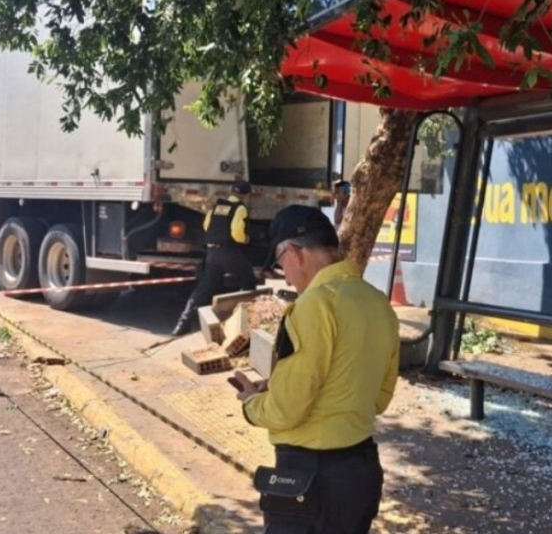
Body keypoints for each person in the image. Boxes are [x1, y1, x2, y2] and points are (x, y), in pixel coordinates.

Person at [232, 205, 399, 534]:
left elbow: (286, 410)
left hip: (309, 482)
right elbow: (378, 398)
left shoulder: (312, 306)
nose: (287, 276)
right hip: (360, 474)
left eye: (281, 265)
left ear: (292, 253)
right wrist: (281, 384)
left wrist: (252, 405)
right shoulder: (376, 302)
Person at [171, 180, 257, 336]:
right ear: (245, 195)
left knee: (202, 290)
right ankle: (246, 324)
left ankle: (182, 324)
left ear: (231, 191)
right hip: (229, 253)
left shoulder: (216, 206)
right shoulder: (240, 208)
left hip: (212, 254)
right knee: (248, 279)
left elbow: (206, 226)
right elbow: (236, 234)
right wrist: (246, 239)